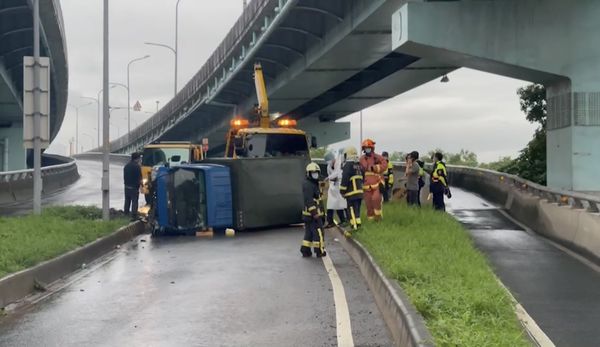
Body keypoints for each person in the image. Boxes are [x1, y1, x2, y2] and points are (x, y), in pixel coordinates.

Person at [300, 162, 327, 258]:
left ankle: (305, 250)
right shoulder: (308, 185)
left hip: (309, 215)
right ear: (308, 174)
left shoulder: (312, 183)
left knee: (309, 233)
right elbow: (309, 200)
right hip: (312, 215)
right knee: (318, 232)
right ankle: (319, 250)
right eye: (313, 173)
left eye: (316, 173)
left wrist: (323, 214)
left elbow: (318, 199)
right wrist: (315, 213)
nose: (315, 175)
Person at [359, 139, 387, 221]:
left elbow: (384, 165)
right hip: (366, 185)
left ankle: (378, 219)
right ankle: (370, 221)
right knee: (368, 204)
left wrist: (374, 168)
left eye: (369, 147)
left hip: (377, 183)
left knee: (376, 200)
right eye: (366, 148)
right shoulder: (362, 159)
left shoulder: (378, 157)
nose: (367, 149)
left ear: (372, 148)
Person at [340, 146, 364, 230]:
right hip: (360, 192)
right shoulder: (358, 165)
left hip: (351, 193)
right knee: (357, 210)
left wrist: (342, 191)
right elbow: (363, 176)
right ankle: (358, 224)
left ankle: (354, 226)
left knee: (351, 209)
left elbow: (345, 179)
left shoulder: (348, 165)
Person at [324, 151, 347, 228]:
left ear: (333, 158)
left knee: (340, 204)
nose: (329, 162)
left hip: (339, 185)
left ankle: (343, 220)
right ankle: (330, 222)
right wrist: (330, 179)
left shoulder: (339, 163)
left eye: (330, 160)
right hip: (333, 186)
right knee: (330, 204)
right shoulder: (328, 166)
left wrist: (329, 178)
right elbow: (330, 175)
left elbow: (338, 173)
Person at [123, 152, 142, 220]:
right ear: (137, 159)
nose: (140, 160)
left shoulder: (126, 166)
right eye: (139, 158)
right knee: (134, 201)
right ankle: (134, 215)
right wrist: (141, 185)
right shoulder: (137, 167)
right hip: (134, 187)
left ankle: (126, 214)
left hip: (126, 186)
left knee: (127, 200)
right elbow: (139, 178)